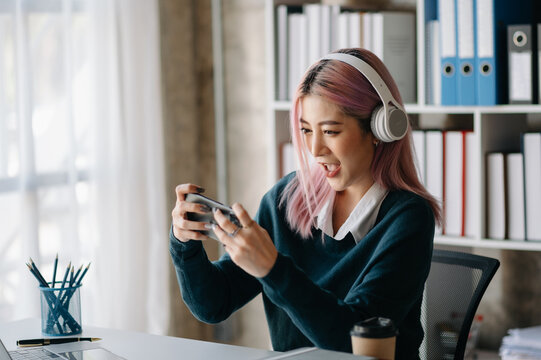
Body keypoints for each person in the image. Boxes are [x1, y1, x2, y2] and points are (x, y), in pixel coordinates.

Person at [170, 48, 442, 359]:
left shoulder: (408, 218)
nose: (315, 149)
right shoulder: (287, 199)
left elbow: (354, 342)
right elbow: (213, 304)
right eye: (306, 130)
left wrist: (272, 268)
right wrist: (184, 244)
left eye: (330, 131)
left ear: (380, 128)